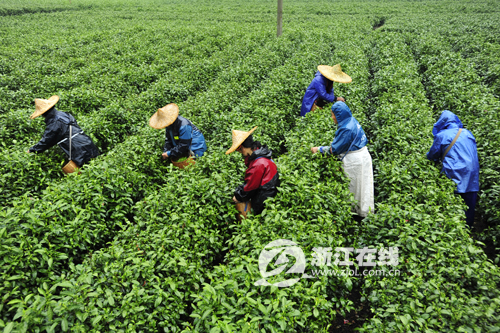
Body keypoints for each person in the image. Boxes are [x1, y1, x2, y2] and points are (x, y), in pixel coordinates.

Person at [311, 102, 374, 218]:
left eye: (332, 115)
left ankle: (357, 215)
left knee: (354, 187)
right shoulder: (350, 120)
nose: (332, 117)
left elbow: (334, 150)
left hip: (355, 161)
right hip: (363, 156)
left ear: (339, 115)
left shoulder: (346, 128)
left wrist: (318, 149)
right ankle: (363, 213)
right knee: (363, 186)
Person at [426, 110, 479, 228]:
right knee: (469, 202)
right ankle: (468, 229)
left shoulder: (442, 135)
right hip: (472, 171)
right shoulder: (467, 133)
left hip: (454, 170)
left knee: (453, 202)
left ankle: (454, 230)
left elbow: (432, 155)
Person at [27, 95, 100, 168]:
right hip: (86, 141)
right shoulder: (63, 114)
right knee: (96, 166)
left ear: (43, 113)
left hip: (78, 149)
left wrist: (32, 150)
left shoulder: (54, 122)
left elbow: (47, 140)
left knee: (85, 171)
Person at [226, 127, 280, 215]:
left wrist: (238, 196)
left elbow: (250, 187)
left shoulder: (258, 163)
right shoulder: (260, 153)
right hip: (269, 191)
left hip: (265, 197)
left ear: (242, 147)